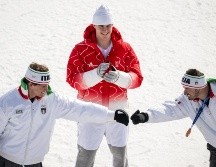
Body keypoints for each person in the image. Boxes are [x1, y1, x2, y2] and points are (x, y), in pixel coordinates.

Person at [0, 62, 129, 167]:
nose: (46, 89)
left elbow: (80, 109)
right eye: (43, 86)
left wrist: (111, 115)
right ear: (31, 84)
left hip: (34, 162)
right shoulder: (8, 102)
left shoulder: (52, 100)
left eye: (47, 84)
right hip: (8, 161)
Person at [66, 4, 143, 167]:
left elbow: (138, 78)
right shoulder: (80, 49)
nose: (105, 30)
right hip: (90, 112)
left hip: (118, 111)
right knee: (85, 159)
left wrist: (119, 77)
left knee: (120, 159)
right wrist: (96, 74)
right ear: (94, 25)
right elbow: (72, 79)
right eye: (101, 26)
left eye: (108, 25)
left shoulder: (125, 48)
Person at [130, 68, 216, 167]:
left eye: (187, 88)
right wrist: (146, 116)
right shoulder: (188, 100)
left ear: (198, 87)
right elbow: (170, 110)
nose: (184, 92)